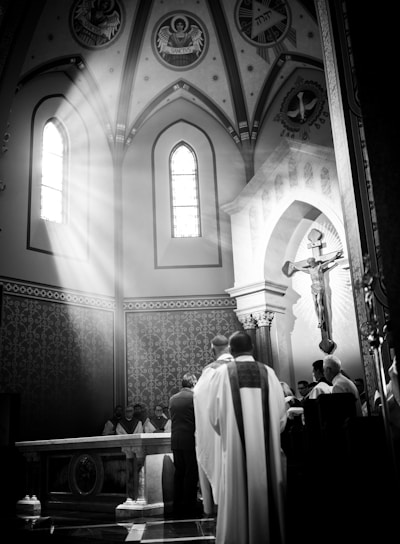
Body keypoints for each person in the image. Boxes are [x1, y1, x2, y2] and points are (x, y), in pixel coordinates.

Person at [205, 331, 287, 544]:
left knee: (236, 496)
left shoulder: (222, 374)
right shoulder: (268, 373)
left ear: (231, 350)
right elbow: (281, 418)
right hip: (266, 451)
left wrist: (232, 435)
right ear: (252, 348)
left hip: (235, 452)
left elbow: (213, 418)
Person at [193, 334, 234, 517]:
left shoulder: (211, 371)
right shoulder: (254, 369)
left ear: (212, 349)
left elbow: (201, 401)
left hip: (221, 434)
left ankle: (217, 509)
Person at [169, 372, 200, 518]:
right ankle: (189, 507)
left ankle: (177, 506)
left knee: (179, 473)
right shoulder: (195, 397)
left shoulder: (172, 399)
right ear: (193, 383)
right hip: (190, 441)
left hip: (176, 441)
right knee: (191, 474)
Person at [290, 250, 343, 327]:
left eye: (311, 262)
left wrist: (335, 257)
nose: (310, 264)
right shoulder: (309, 270)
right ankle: (319, 318)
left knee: (319, 302)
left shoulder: (319, 267)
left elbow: (328, 262)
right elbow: (301, 269)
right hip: (313, 287)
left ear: (314, 262)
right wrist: (295, 267)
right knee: (315, 304)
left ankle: (320, 320)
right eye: (309, 263)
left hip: (320, 286)